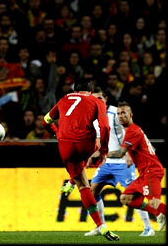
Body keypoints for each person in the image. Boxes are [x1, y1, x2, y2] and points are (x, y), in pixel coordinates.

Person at [43, 78, 119, 241]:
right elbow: (105, 127)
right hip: (86, 144)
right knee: (84, 164)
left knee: (83, 185)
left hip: (65, 145)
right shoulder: (95, 100)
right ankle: (72, 180)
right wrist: (103, 151)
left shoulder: (64, 99)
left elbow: (46, 120)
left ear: (74, 89)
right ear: (90, 90)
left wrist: (56, 131)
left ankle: (100, 225)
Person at [77, 89, 155, 237]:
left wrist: (130, 153)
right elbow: (99, 139)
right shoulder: (94, 117)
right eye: (94, 99)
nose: (97, 101)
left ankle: (148, 227)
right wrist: (92, 156)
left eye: (100, 98)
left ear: (106, 99)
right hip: (108, 163)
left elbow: (131, 130)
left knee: (132, 196)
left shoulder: (115, 113)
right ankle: (101, 227)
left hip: (122, 161)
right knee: (92, 192)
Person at [106, 102, 166, 232]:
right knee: (126, 198)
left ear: (130, 115)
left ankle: (160, 212)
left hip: (151, 171)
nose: (120, 116)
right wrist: (134, 157)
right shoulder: (134, 130)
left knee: (154, 203)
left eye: (123, 113)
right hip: (144, 172)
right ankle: (159, 215)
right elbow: (150, 148)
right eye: (118, 114)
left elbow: (120, 152)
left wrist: (102, 155)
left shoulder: (132, 131)